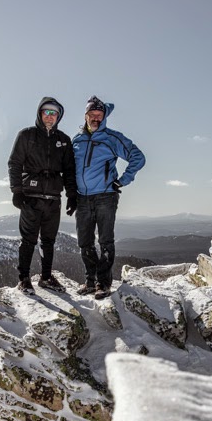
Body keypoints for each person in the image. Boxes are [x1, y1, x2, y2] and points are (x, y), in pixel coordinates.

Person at [69, 95, 145, 300]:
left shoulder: (112, 138)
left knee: (105, 241)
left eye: (99, 115)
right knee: (84, 242)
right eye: (92, 114)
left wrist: (122, 180)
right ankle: (90, 281)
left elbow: (138, 157)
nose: (96, 118)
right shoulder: (77, 140)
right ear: (85, 116)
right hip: (82, 198)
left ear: (104, 117)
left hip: (105, 196)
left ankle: (103, 283)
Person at [8, 96, 78, 294]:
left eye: (54, 113)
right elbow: (15, 163)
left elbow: (69, 170)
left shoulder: (63, 140)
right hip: (31, 197)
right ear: (40, 113)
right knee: (28, 240)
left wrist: (72, 195)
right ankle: (24, 279)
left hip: (53, 199)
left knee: (49, 241)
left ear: (59, 116)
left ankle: (46, 277)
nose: (50, 116)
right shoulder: (27, 135)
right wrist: (17, 191)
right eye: (46, 112)